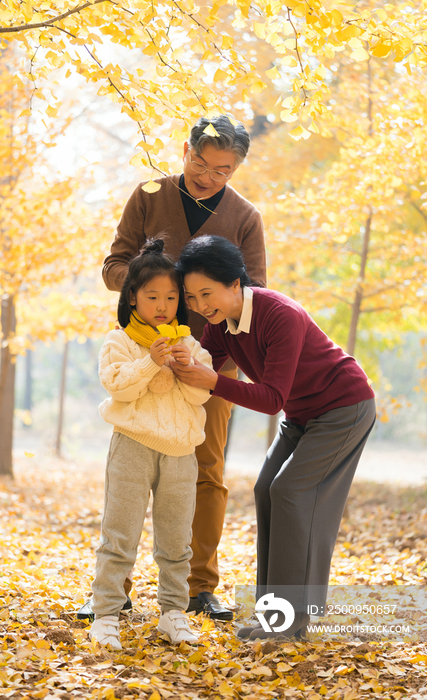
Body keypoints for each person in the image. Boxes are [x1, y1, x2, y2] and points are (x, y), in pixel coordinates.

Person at [89, 114, 266, 622]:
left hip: (212, 363)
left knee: (206, 472)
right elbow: (112, 265)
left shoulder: (246, 216)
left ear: (235, 171)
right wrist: (149, 281)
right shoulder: (148, 194)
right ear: (185, 150)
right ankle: (114, 589)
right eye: (200, 162)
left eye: (223, 170)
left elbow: (251, 292)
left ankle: (199, 588)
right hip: (142, 353)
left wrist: (216, 365)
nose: (208, 176)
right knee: (129, 474)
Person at [172, 235, 376, 640]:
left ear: (235, 284)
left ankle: (291, 623)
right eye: (191, 297)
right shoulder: (222, 326)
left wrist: (214, 382)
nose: (199, 305)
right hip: (302, 413)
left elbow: (270, 399)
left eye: (206, 293)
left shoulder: (279, 313)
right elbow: (203, 364)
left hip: (342, 407)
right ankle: (275, 618)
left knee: (290, 491)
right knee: (267, 488)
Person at [88, 239, 212, 649]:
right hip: (132, 446)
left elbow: (201, 396)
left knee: (177, 540)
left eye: (171, 297)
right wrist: (150, 361)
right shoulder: (119, 340)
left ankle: (173, 613)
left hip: (181, 452)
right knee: (119, 533)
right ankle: (106, 613)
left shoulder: (190, 345)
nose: (162, 305)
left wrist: (185, 368)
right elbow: (117, 386)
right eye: (152, 296)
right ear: (133, 297)